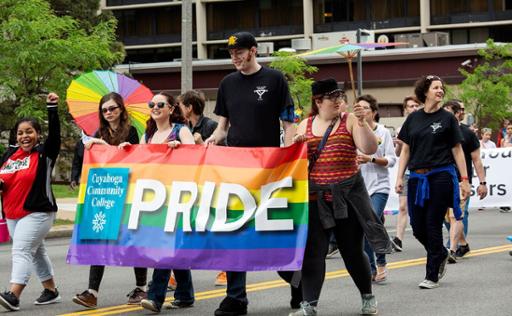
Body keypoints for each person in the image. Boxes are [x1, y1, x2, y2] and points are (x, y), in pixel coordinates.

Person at [204, 31, 298, 316]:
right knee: (235, 231)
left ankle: (298, 283)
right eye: (231, 53)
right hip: (236, 169)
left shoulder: (274, 79)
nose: (235, 56)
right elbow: (223, 126)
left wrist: (289, 153)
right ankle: (236, 298)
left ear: (254, 51)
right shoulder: (227, 83)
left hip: (269, 169)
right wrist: (213, 140)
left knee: (274, 232)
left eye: (240, 51)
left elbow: (289, 122)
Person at [290, 78, 392, 316]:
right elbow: (295, 166)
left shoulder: (351, 120)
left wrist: (364, 122)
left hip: (347, 197)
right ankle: (310, 304)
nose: (339, 101)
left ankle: (367, 296)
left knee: (352, 250)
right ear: (318, 101)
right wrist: (297, 147)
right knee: (313, 252)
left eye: (340, 96)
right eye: (332, 97)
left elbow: (368, 149)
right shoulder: (303, 124)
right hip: (315, 197)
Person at [72, 92, 148, 309]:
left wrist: (121, 149)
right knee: (99, 238)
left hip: (129, 192)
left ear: (121, 109)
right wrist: (93, 143)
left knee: (132, 240)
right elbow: (90, 156)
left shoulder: (131, 131)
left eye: (113, 108)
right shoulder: (99, 132)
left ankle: (141, 287)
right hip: (105, 194)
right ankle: (92, 292)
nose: (109, 113)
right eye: (105, 110)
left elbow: (135, 159)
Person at [395, 75, 471, 289]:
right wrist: (400, 176)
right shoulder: (413, 118)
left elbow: (457, 150)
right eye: (436, 87)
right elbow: (406, 149)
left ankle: (432, 275)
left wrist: (464, 179)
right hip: (417, 178)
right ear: (425, 91)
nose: (440, 91)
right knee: (418, 227)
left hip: (441, 176)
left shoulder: (448, 119)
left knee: (432, 223)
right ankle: (440, 252)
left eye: (441, 88)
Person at [131, 92, 196, 313]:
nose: (155, 107)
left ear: (171, 108)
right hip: (155, 198)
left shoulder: (182, 131)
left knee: (164, 245)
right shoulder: (147, 136)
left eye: (160, 104)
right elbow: (139, 163)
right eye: (152, 104)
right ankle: (185, 294)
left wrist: (181, 149)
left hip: (178, 196)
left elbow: (196, 160)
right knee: (171, 245)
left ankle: (155, 296)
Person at [0, 93, 62, 311]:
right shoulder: (9, 155)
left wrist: (52, 108)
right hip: (12, 213)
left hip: (38, 211)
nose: (24, 136)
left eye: (29, 132)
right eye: (20, 133)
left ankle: (13, 294)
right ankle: (51, 290)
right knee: (36, 252)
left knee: (22, 250)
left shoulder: (45, 153)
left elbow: (55, 136)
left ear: (38, 134)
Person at [177, 90, 228, 287]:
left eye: (181, 106)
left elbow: (225, 154)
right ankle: (178, 271)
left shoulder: (211, 126)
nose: (179, 110)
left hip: (211, 185)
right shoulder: (182, 128)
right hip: (191, 185)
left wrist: (201, 144)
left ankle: (225, 269)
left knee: (214, 227)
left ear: (189, 108)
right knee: (187, 227)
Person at [357, 94, 397, 283]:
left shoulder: (383, 132)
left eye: (366, 108)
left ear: (374, 112)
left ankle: (377, 265)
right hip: (359, 187)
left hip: (379, 187)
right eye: (359, 108)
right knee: (371, 225)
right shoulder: (354, 130)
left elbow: (390, 160)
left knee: (369, 225)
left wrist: (370, 158)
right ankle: (373, 266)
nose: (362, 111)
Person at [442, 100, 487, 262]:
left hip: (461, 180)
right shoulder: (438, 132)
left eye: (448, 112)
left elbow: (477, 160)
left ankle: (451, 249)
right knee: (446, 217)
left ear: (457, 114)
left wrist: (482, 183)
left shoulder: (467, 133)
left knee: (457, 215)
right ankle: (462, 243)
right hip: (441, 180)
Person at [392, 95, 420, 252]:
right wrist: (400, 144)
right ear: (405, 110)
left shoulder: (423, 125)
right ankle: (398, 239)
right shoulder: (400, 129)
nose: (414, 108)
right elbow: (398, 153)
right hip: (407, 173)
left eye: (416, 106)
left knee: (424, 207)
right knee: (403, 206)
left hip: (422, 172)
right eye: (411, 106)